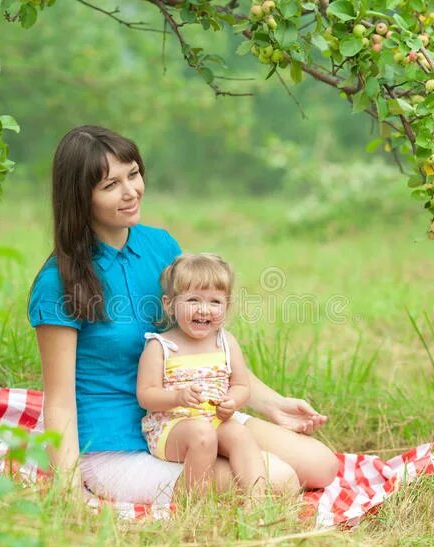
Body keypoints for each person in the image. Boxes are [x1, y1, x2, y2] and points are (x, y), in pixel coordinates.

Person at [29, 125, 338, 505]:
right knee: (281, 481)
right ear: (81, 197)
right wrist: (69, 487)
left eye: (134, 174)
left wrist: (273, 404)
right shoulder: (60, 281)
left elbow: (201, 346)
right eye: (111, 185)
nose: (131, 192)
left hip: (194, 415)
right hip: (118, 444)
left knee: (322, 465)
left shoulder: (160, 246)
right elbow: (58, 400)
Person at [137, 253, 266, 498]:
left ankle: (257, 500)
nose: (204, 309)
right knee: (202, 434)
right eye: (193, 299)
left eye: (215, 302)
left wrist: (233, 401)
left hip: (214, 419)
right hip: (171, 427)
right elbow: (146, 395)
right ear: (169, 304)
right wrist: (177, 397)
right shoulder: (160, 346)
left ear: (226, 307)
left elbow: (241, 385)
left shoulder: (225, 342)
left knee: (240, 434)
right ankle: (194, 501)